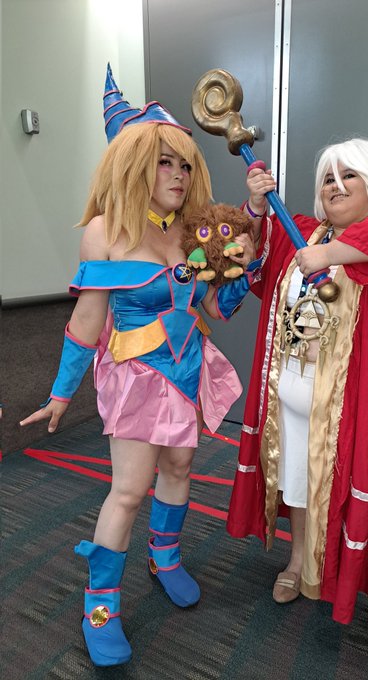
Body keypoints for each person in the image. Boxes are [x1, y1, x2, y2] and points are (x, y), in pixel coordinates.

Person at [20, 66, 257, 668]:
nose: (178, 175)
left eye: (184, 165)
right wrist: (60, 393)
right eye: (163, 163)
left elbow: (215, 307)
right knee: (127, 490)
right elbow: (87, 321)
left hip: (187, 367)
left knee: (180, 466)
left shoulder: (191, 232)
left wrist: (243, 261)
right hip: (136, 376)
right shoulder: (106, 231)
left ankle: (165, 557)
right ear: (133, 168)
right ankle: (99, 609)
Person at [226, 138, 368, 665]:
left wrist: (328, 255)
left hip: (359, 414)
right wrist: (256, 205)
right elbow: (260, 252)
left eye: (350, 177)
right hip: (292, 404)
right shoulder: (304, 233)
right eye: (327, 179)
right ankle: (299, 561)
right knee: (296, 482)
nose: (335, 187)